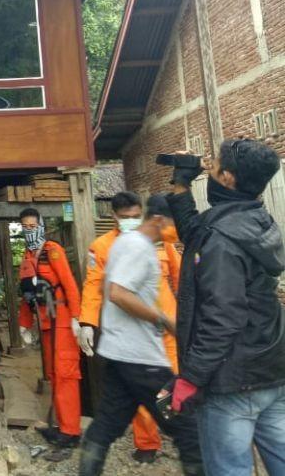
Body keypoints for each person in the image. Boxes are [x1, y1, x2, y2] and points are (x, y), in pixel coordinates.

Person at [165, 139, 285, 476]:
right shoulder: (255, 219)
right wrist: (181, 184)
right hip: (271, 370)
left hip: (233, 381)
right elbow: (197, 232)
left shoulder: (220, 238)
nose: (210, 169)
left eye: (214, 166)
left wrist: (191, 378)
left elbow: (223, 317)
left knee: (229, 469)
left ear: (228, 178)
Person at [79, 195, 204, 475]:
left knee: (106, 427)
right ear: (159, 220)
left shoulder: (126, 244)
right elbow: (118, 293)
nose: (178, 229)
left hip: (118, 355)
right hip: (142, 361)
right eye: (175, 222)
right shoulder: (138, 247)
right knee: (187, 425)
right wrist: (162, 319)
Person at [17, 207, 83, 450]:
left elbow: (69, 284)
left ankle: (71, 431)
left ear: (41, 226)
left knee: (66, 374)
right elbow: (26, 294)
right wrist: (24, 324)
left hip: (63, 321)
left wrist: (77, 317)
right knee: (54, 375)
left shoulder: (52, 251)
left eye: (32, 226)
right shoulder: (27, 255)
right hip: (45, 323)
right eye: (25, 227)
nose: (29, 231)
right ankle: (62, 425)